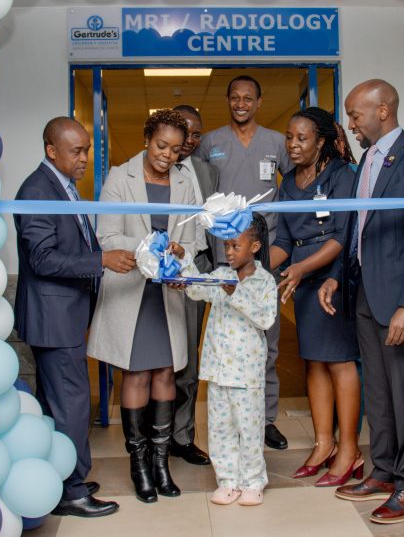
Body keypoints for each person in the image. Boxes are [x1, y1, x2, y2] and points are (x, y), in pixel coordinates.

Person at [319, 79, 404, 525]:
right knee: (377, 390)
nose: (351, 124)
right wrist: (336, 277)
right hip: (365, 294)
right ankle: (385, 471)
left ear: (383, 110)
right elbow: (357, 229)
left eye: (356, 115)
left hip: (400, 299)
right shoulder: (367, 160)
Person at [14, 117, 134, 519]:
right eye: (76, 151)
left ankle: (61, 477)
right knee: (72, 404)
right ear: (52, 151)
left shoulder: (61, 185)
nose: (84, 158)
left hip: (62, 315)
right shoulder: (37, 190)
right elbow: (43, 259)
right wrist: (101, 260)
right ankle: (71, 490)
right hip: (53, 318)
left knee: (57, 405)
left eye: (87, 149)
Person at [87, 109, 199, 503]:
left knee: (166, 373)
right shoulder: (120, 178)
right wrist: (150, 250)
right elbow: (107, 236)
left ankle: (161, 463)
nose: (167, 155)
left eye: (175, 149)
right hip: (131, 289)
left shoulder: (185, 182)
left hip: (167, 292)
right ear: (147, 139)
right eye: (161, 145)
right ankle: (139, 466)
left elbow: (194, 238)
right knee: (135, 374)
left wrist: (180, 255)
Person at [197, 75, 292, 450]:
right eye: (235, 97)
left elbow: (294, 187)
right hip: (224, 257)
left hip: (265, 258)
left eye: (248, 98)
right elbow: (197, 192)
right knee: (226, 341)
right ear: (227, 101)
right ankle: (230, 420)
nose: (241, 103)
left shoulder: (276, 143)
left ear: (259, 102)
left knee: (266, 340)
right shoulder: (211, 143)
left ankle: (265, 419)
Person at [269, 107, 362, 487]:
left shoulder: (341, 175)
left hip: (334, 277)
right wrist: (253, 269)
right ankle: (324, 444)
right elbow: (283, 240)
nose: (293, 144)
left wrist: (302, 268)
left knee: (340, 362)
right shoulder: (289, 183)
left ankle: (350, 449)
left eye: (302, 138)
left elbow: (343, 235)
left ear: (321, 141)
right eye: (289, 137)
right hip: (304, 280)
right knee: (314, 363)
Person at [179, 214, 278, 507]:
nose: (229, 252)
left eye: (236, 246)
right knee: (220, 429)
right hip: (218, 371)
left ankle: (253, 481)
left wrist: (237, 294)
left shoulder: (264, 281)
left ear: (255, 247)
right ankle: (228, 481)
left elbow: (266, 318)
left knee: (249, 430)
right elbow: (196, 288)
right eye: (226, 246)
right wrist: (183, 260)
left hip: (246, 375)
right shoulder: (221, 275)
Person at [169, 104, 218, 466]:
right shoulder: (151, 167)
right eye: (184, 130)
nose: (190, 139)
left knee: (188, 356)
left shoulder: (208, 172)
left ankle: (181, 436)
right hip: (162, 269)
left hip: (197, 267)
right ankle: (154, 434)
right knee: (158, 359)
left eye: (197, 133)